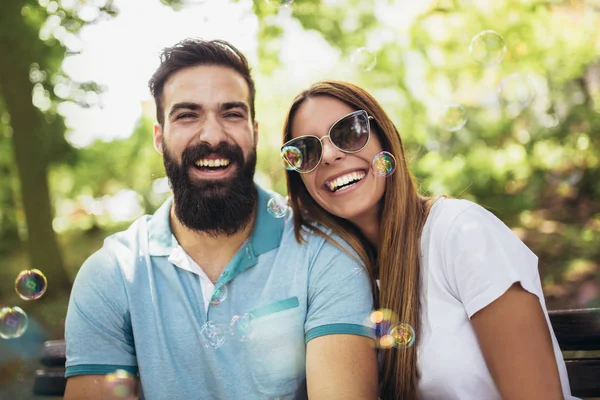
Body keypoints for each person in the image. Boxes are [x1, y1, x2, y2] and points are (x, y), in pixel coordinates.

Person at [63, 40, 378, 400]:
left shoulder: (326, 255)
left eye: (231, 114)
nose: (212, 136)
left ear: (254, 133)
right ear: (159, 137)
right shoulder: (112, 273)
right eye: (187, 115)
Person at [280, 80, 578, 400]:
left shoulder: (462, 233)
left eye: (348, 132)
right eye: (307, 151)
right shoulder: (339, 282)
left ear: (385, 138)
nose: (329, 155)